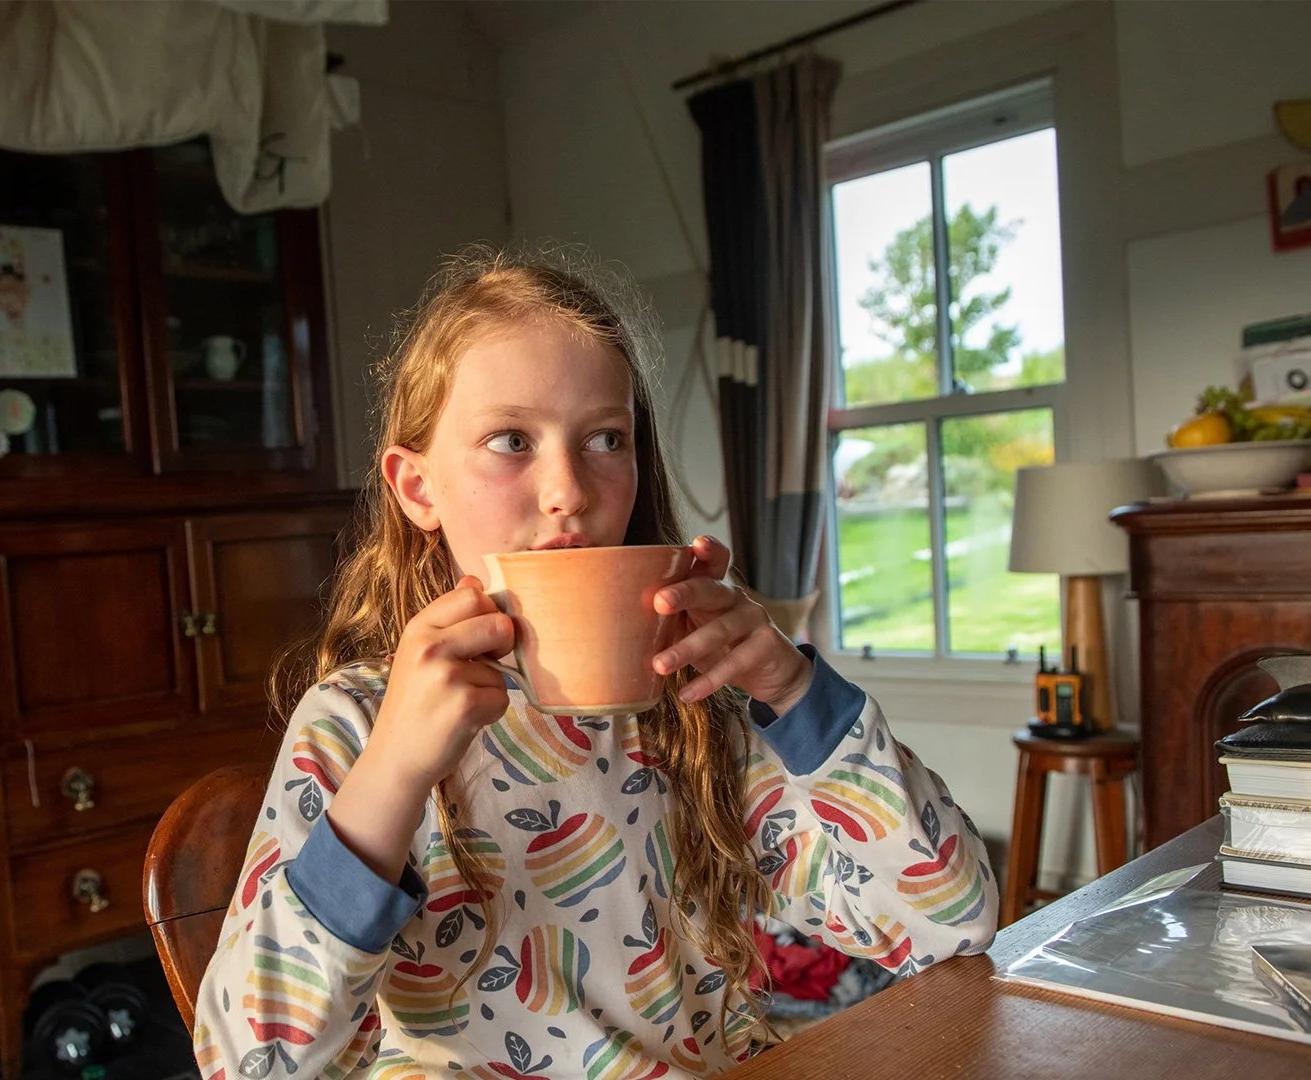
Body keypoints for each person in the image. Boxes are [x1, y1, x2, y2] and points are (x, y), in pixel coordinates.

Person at [193, 244, 997, 1078]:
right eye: (511, 439)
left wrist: (796, 693)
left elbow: (951, 925)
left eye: (605, 438)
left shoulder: (696, 710)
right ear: (416, 486)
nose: (569, 490)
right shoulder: (359, 724)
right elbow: (252, 1063)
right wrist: (391, 773)